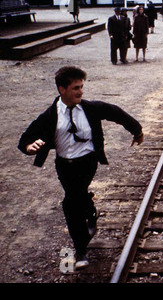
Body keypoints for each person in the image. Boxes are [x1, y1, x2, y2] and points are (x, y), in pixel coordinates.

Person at [17, 66, 144, 270]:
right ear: (62, 89)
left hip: (87, 162)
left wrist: (137, 131)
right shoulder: (50, 115)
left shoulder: (90, 108)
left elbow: (116, 113)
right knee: (77, 196)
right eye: (76, 88)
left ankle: (80, 250)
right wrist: (29, 148)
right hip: (64, 165)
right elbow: (25, 139)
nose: (80, 92)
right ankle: (91, 212)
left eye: (81, 87)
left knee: (70, 202)